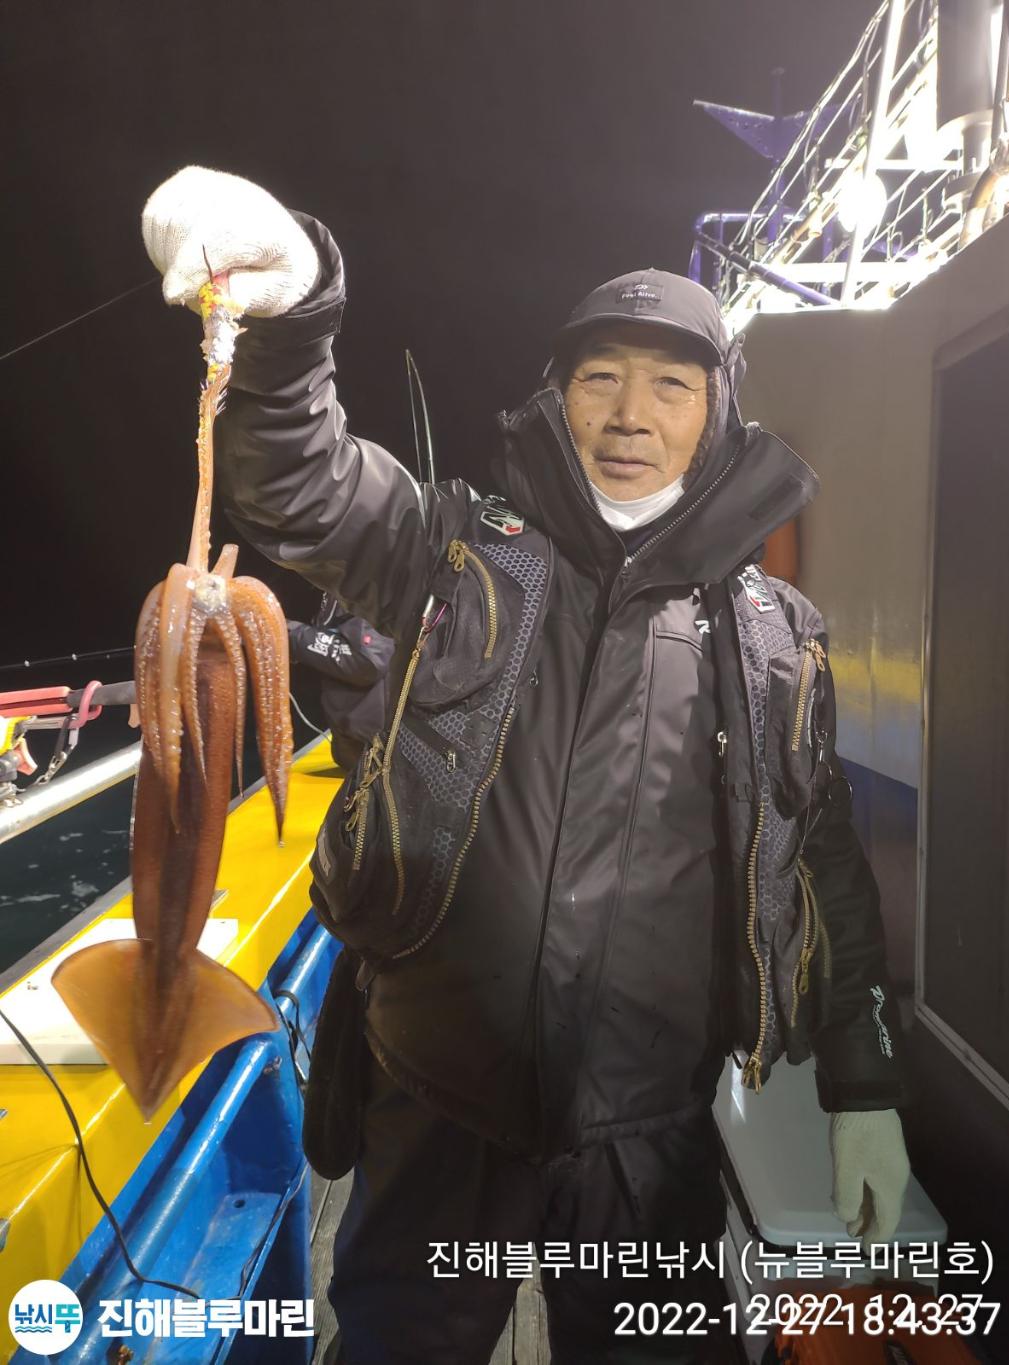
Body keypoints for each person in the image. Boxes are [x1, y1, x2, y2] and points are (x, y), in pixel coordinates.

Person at [142, 167, 914, 1365]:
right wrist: (293, 312)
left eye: (672, 385)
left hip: (649, 1141)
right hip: (433, 1106)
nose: (630, 415)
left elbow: (821, 867)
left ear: (719, 415)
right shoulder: (450, 549)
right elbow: (298, 483)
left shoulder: (774, 634)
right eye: (599, 377)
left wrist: (865, 1091)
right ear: (557, 399)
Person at [287, 593, 394, 771]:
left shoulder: (370, 586)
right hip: (353, 739)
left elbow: (368, 663)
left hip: (376, 746)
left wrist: (291, 635)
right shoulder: (337, 587)